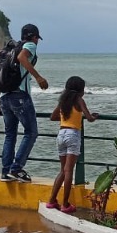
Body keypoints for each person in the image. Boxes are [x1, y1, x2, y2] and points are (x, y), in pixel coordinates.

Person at [0, 23, 48, 182]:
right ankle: (16, 168)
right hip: (19, 95)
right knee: (31, 132)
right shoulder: (30, 46)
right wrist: (39, 77)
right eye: (37, 38)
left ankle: (6, 171)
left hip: (5, 96)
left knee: (10, 134)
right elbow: (22, 58)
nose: (37, 41)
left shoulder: (12, 48)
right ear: (34, 37)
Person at [46, 76, 98, 213]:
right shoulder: (79, 100)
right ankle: (65, 204)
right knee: (69, 171)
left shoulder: (63, 101)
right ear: (80, 90)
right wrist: (94, 116)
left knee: (62, 170)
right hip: (73, 135)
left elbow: (53, 117)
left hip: (61, 134)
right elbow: (89, 118)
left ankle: (51, 200)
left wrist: (66, 118)